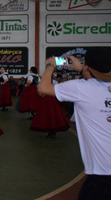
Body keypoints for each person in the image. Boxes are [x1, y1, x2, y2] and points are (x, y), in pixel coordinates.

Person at [38, 48, 111, 199]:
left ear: (86, 66)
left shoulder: (81, 88)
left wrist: (51, 65)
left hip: (104, 172)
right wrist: (84, 69)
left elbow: (43, 88)